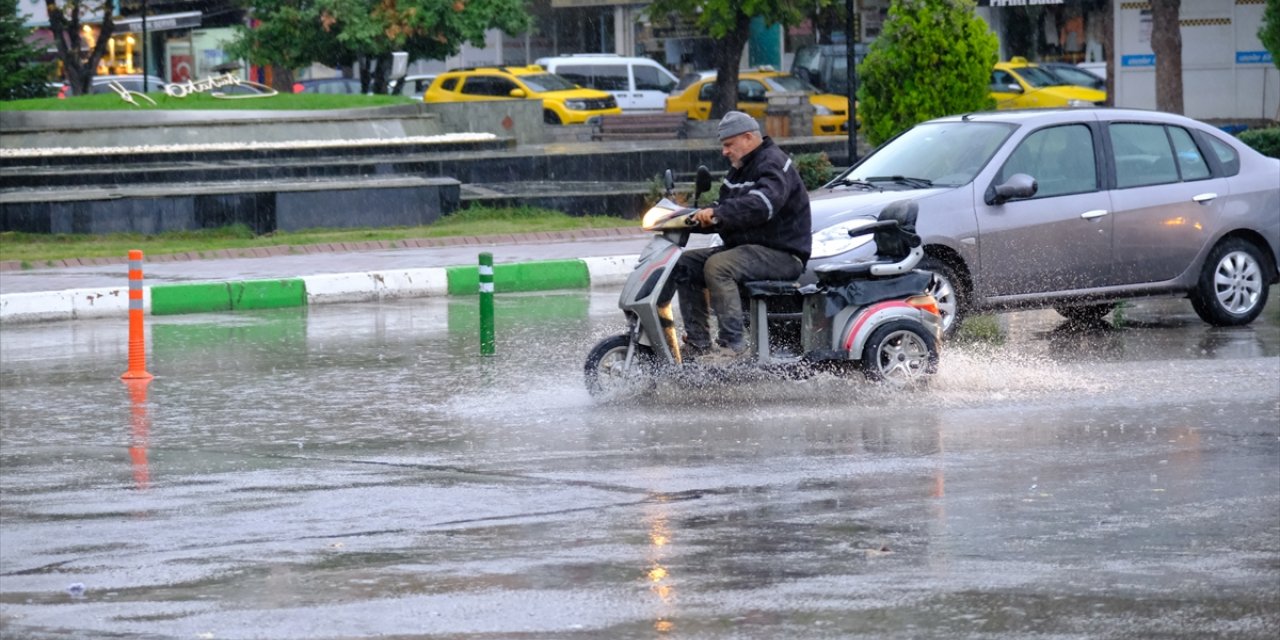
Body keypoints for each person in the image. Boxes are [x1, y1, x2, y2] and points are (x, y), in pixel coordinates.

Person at [669, 111, 812, 360]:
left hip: (783, 253)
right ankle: (698, 344)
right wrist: (690, 218)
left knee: (718, 266)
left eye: (728, 145)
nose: (724, 151)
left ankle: (732, 346)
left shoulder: (773, 163)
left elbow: (761, 205)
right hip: (749, 250)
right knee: (685, 264)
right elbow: (727, 209)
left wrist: (718, 213)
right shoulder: (738, 170)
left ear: (748, 138)